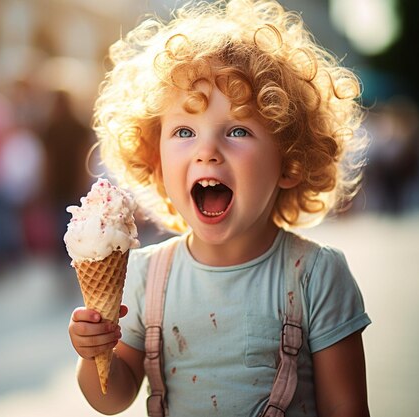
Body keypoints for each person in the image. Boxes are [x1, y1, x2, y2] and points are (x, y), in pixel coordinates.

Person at [67, 1, 371, 416]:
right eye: (185, 131)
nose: (207, 151)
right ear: (155, 161)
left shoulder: (317, 276)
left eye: (238, 130)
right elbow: (112, 397)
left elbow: (346, 408)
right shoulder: (144, 277)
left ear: (291, 161)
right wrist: (93, 354)